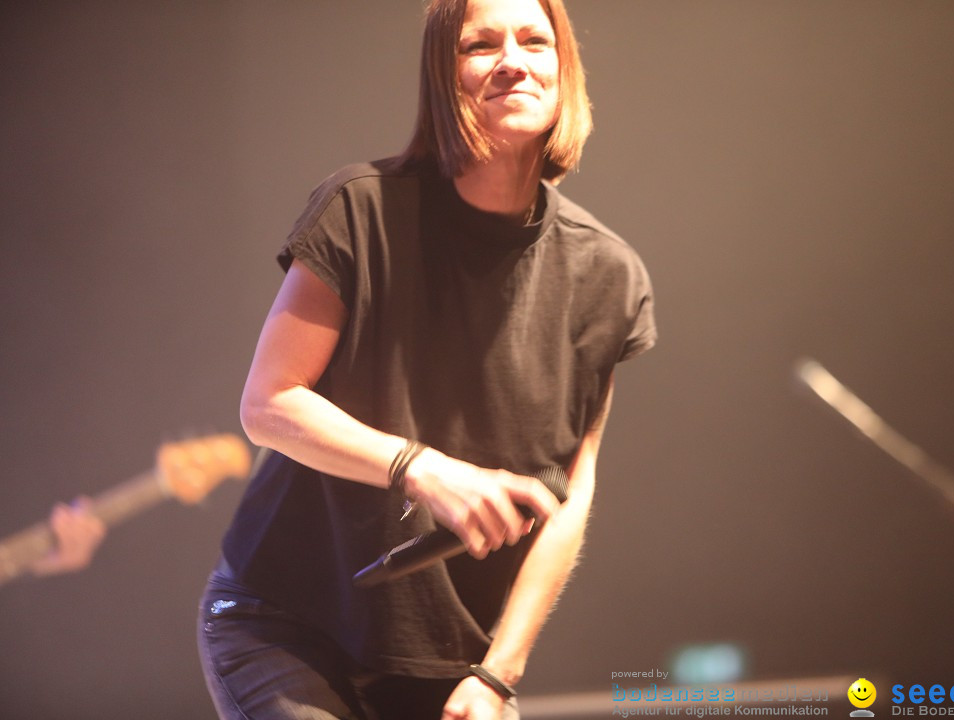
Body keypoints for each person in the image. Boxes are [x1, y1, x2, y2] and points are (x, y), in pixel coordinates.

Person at [197, 0, 656, 718]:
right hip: (285, 624)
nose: (513, 62)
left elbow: (572, 491)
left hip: (448, 659)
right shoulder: (360, 209)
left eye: (535, 41)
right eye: (481, 45)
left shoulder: (608, 275)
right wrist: (422, 468)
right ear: (444, 76)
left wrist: (498, 674)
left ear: (564, 68)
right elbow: (269, 404)